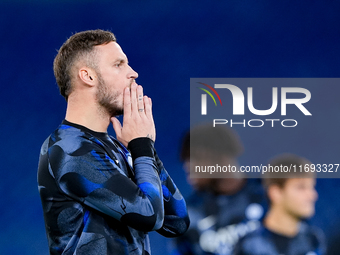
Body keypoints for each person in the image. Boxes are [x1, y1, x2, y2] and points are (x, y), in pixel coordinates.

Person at [37, 29, 190, 255]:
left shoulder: (117, 146)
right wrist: (141, 146)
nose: (133, 73)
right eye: (119, 64)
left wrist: (144, 149)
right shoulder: (68, 148)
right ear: (88, 76)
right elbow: (149, 216)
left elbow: (177, 221)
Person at [172, 124, 265, 255]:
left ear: (221, 156)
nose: (188, 166)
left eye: (196, 157)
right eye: (187, 160)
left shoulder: (269, 193)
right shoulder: (189, 215)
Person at [233, 154, 326, 255]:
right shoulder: (251, 246)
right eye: (301, 188)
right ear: (276, 193)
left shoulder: (312, 239)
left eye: (312, 187)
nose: (312, 195)